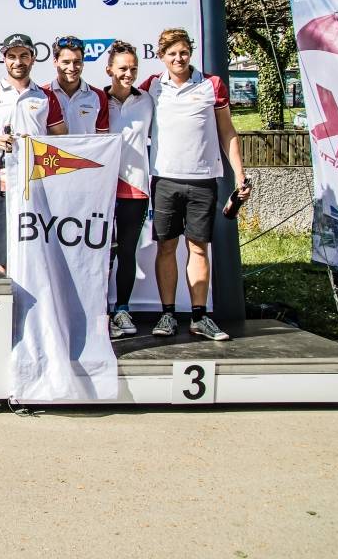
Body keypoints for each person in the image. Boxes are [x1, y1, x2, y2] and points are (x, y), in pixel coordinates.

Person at [140, 27, 251, 341]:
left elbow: (228, 132)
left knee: (198, 248)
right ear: (161, 57)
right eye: (171, 53)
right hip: (164, 179)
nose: (178, 58)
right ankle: (167, 314)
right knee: (166, 247)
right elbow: (120, 99)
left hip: (203, 181)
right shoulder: (151, 86)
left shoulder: (211, 85)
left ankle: (200, 317)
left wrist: (240, 175)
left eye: (183, 52)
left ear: (190, 53)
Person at [0, 33, 67, 273]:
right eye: (12, 56)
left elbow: (62, 138)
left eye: (23, 56)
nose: (17, 62)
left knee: (37, 253)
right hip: (0, 184)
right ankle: (7, 310)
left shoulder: (45, 96)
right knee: (3, 254)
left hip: (36, 185)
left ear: (33, 59)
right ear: (4, 59)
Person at [103, 41, 154, 339]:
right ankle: (100, 311)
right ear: (109, 69)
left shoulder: (147, 100)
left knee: (127, 252)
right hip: (102, 188)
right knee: (101, 254)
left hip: (135, 188)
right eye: (122, 68)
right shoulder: (96, 99)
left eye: (133, 68)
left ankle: (122, 309)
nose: (128, 74)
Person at [43, 36, 109, 135]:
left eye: (77, 62)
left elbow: (103, 139)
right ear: (55, 62)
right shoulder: (42, 95)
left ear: (83, 63)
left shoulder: (99, 96)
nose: (72, 67)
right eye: (66, 62)